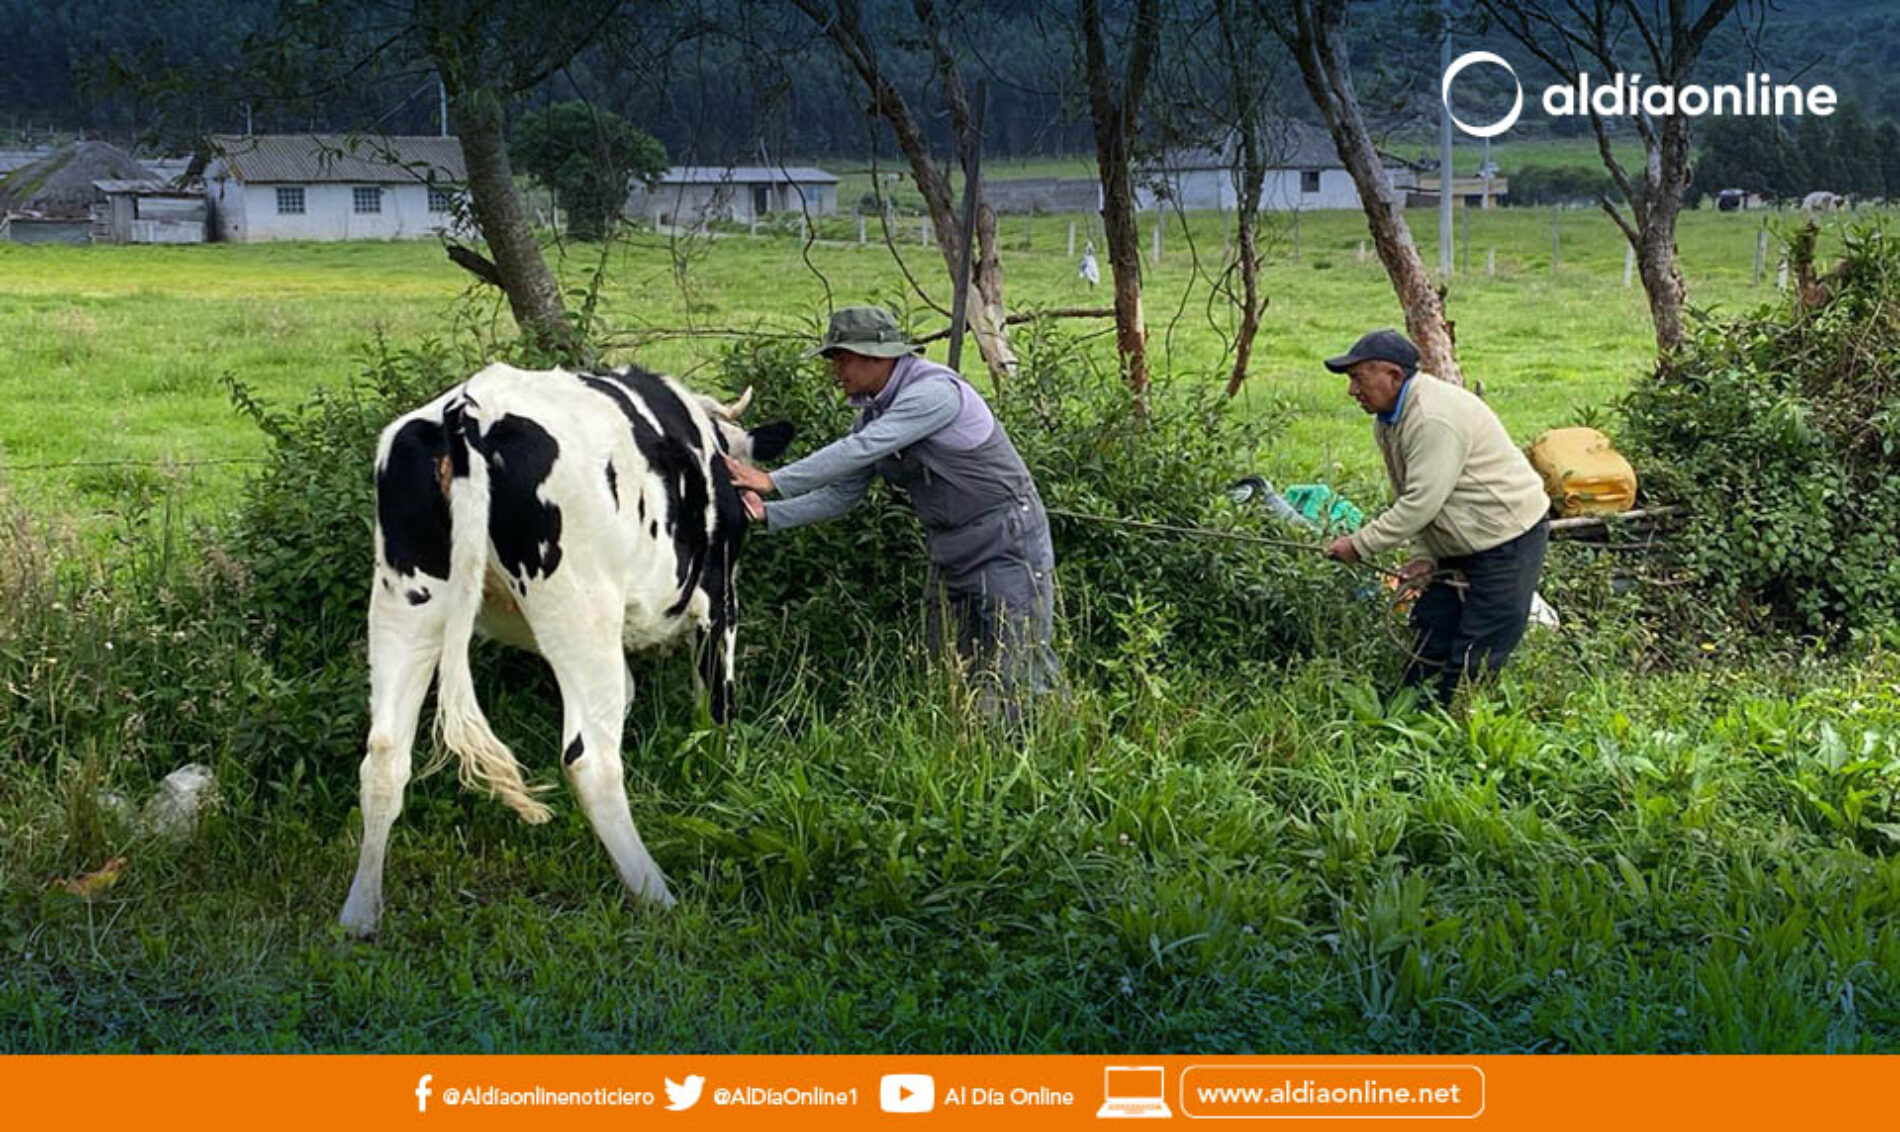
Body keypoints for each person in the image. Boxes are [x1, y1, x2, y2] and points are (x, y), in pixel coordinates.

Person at [724, 306, 1062, 713]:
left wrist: (773, 480)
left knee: (1019, 665)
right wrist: (771, 513)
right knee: (954, 671)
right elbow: (843, 493)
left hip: (1005, 541)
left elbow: (859, 450)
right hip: (950, 548)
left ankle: (1044, 755)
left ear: (876, 356)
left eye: (841, 359)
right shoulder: (874, 413)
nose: (835, 371)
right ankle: (976, 759)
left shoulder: (933, 394)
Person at [1320, 329, 1551, 705]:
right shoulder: (1389, 420)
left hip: (1507, 536)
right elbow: (1416, 493)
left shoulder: (1431, 418)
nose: (1352, 390)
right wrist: (1424, 556)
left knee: (1478, 648)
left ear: (1393, 375)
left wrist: (1358, 546)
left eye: (1358, 378)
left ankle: (1454, 737)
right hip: (1460, 536)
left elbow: (1420, 504)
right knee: (1431, 629)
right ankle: (1406, 719)